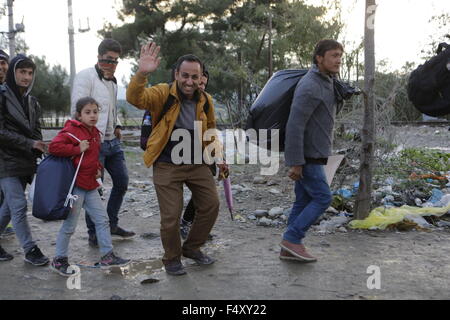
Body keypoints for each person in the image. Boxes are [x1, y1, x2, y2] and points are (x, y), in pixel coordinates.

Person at [126, 42, 228, 276]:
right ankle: (171, 258)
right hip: (166, 163)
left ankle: (192, 248)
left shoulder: (206, 100)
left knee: (211, 205)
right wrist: (142, 72)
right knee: (171, 216)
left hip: (196, 162)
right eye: (185, 76)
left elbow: (211, 128)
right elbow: (135, 98)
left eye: (195, 76)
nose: (189, 81)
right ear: (176, 75)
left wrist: (218, 156)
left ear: (202, 77)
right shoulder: (162, 93)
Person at [48, 97, 131, 276]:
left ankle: (107, 256)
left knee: (102, 220)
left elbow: (95, 156)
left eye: (95, 112)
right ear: (79, 115)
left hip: (91, 185)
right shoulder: (71, 130)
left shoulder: (96, 132)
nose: (93, 115)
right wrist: (77, 149)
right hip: (76, 186)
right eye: (88, 112)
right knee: (70, 226)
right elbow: (54, 147)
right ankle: (59, 260)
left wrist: (99, 170)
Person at [280, 39, 343, 262]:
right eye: (334, 55)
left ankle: (288, 248)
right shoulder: (310, 85)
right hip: (307, 157)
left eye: (340, 56)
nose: (338, 60)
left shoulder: (326, 80)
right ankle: (292, 238)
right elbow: (295, 125)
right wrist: (295, 162)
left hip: (316, 154)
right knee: (323, 198)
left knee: (302, 201)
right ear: (319, 58)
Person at [71, 38, 135, 247]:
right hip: (92, 143)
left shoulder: (113, 81)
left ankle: (111, 224)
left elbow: (110, 108)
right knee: (94, 188)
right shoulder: (85, 77)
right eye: (108, 60)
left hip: (111, 142)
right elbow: (77, 112)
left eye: (116, 61)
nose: (112, 65)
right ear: (99, 57)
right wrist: (86, 140)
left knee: (122, 182)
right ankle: (93, 233)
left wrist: (117, 125)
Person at [0, 54, 49, 265]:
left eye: (30, 73)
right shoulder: (1, 97)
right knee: (18, 205)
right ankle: (30, 250)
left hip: (26, 161)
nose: (26, 77)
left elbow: (36, 131)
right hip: (5, 161)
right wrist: (29, 143)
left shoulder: (32, 101)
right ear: (13, 72)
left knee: (9, 208)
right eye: (22, 72)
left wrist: (39, 147)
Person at [179, 68, 217, 240]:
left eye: (203, 83)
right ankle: (185, 223)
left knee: (203, 194)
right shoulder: (181, 102)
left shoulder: (206, 102)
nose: (200, 85)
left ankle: (196, 228)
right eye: (198, 82)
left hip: (205, 154)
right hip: (183, 155)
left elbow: (212, 129)